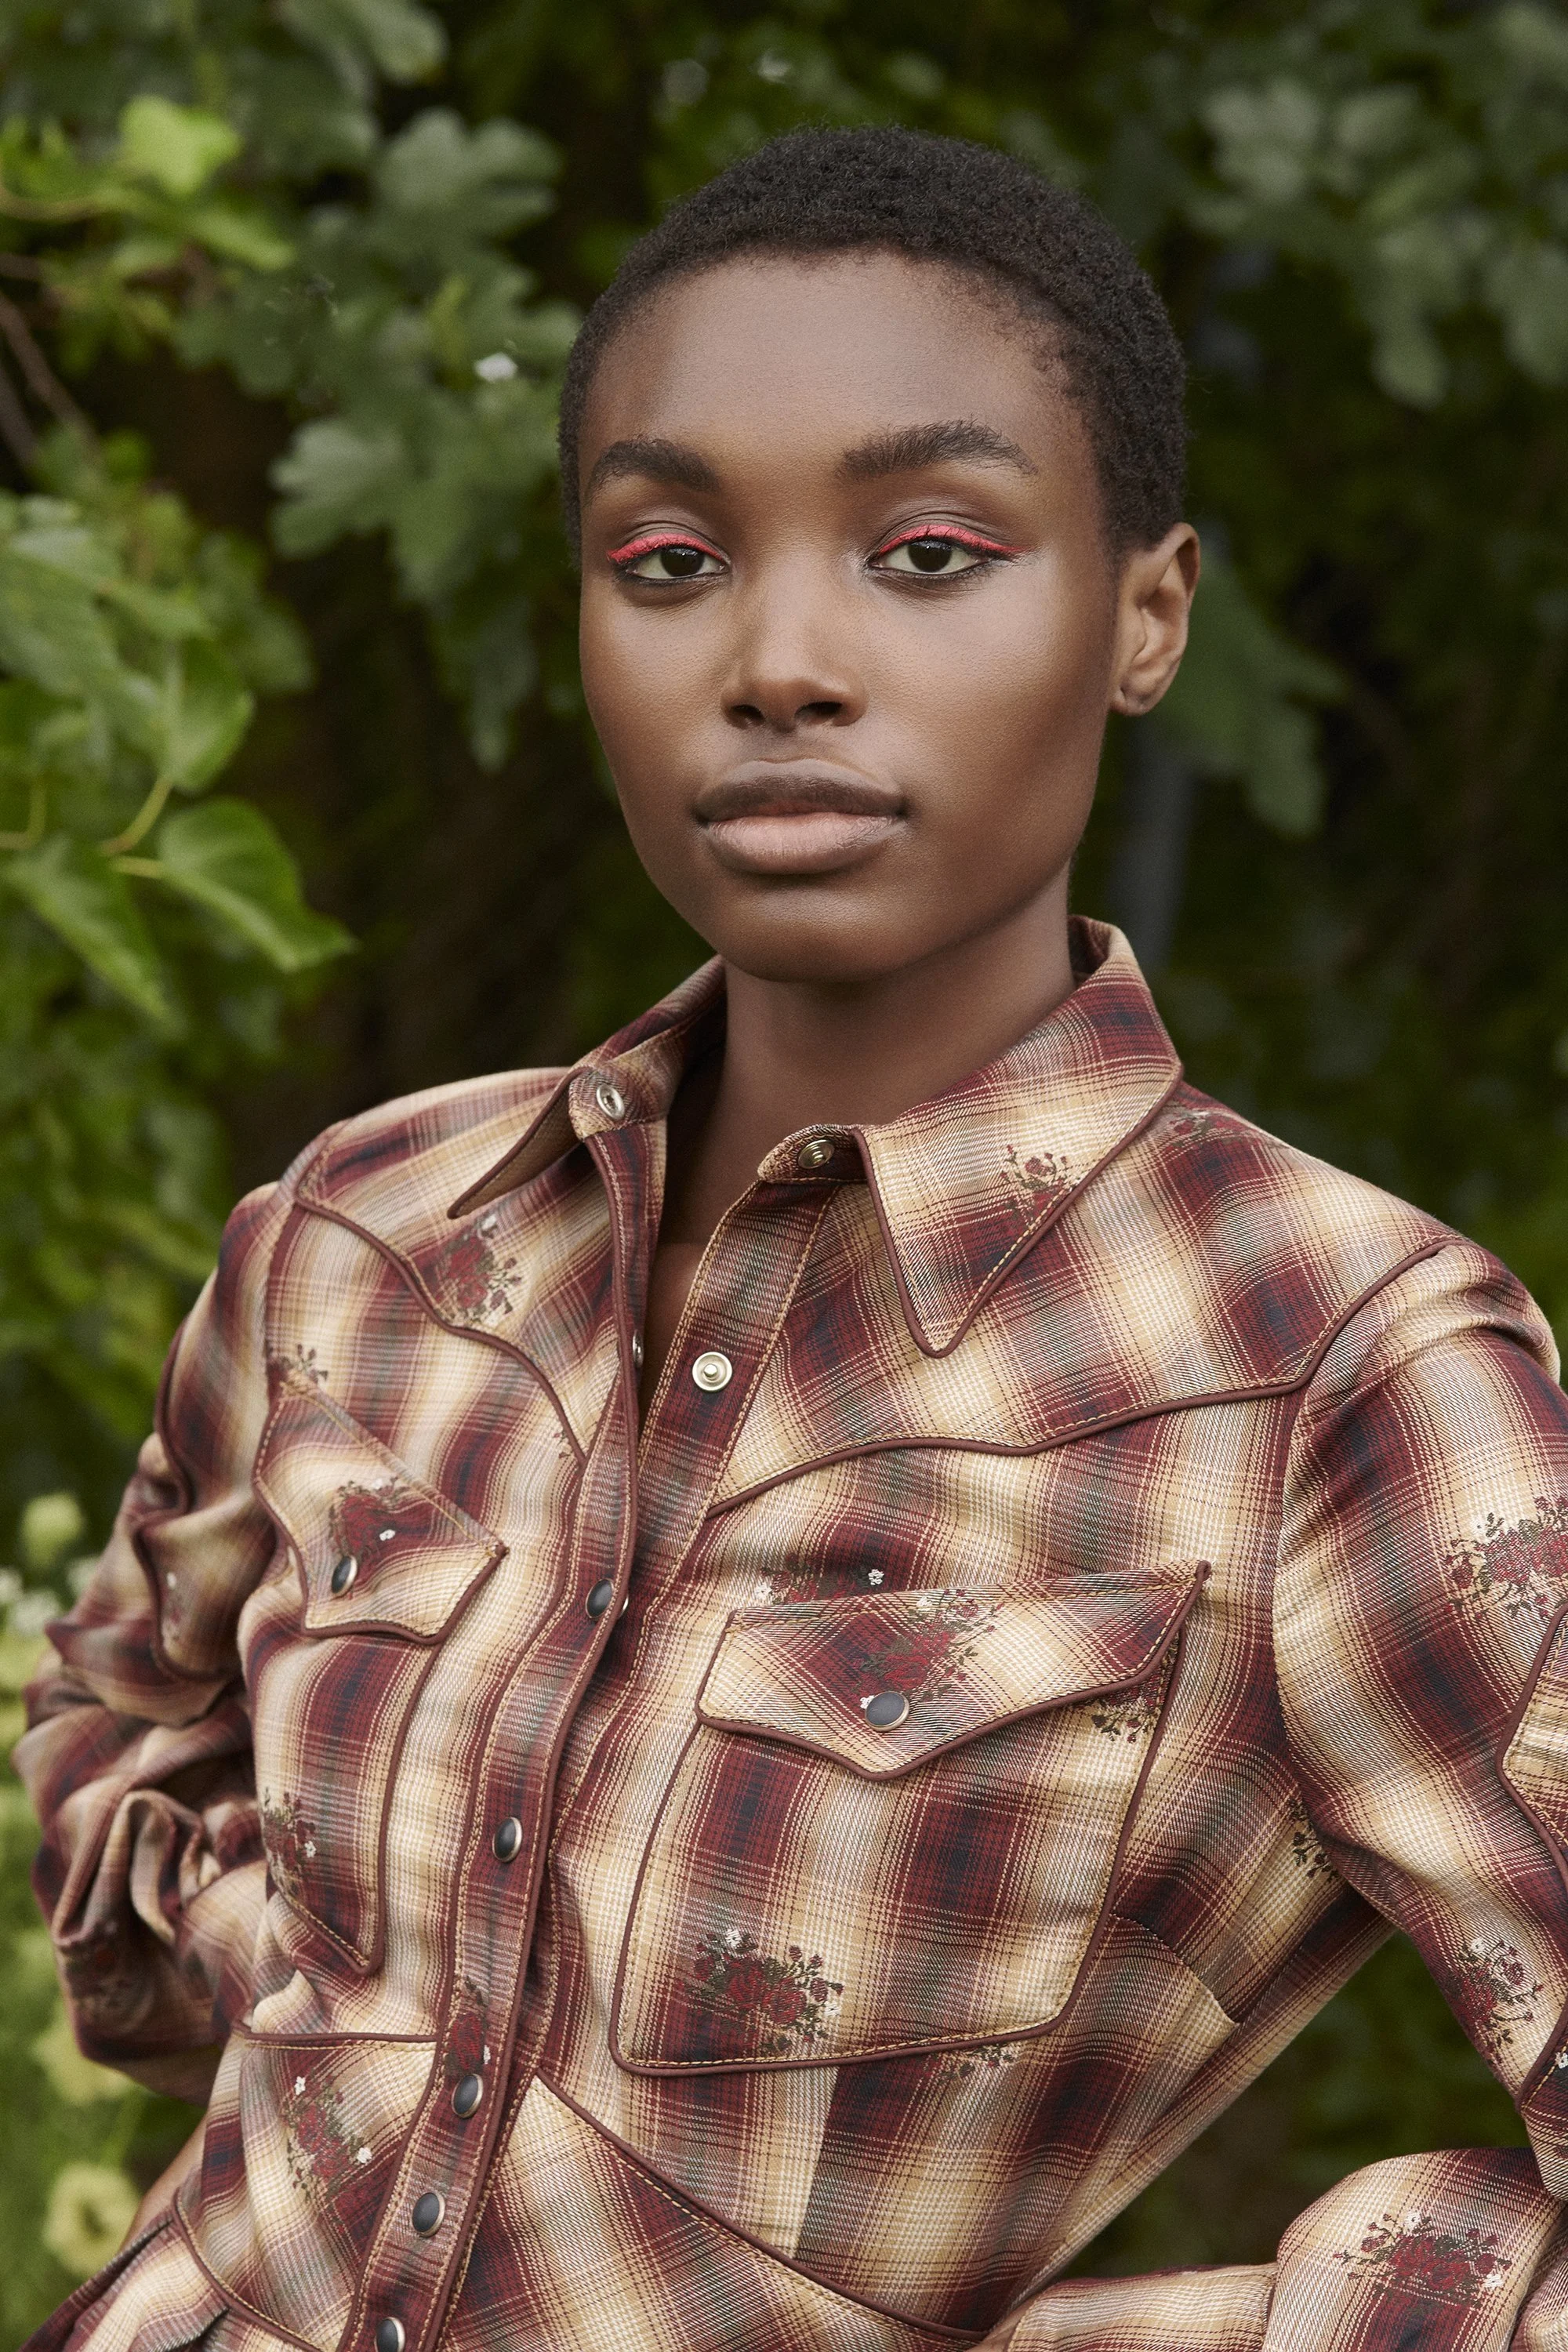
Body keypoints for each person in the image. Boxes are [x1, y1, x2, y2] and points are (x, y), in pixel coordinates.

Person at [16, 124, 1568, 2352]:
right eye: (665, 560)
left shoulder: (1331, 1364)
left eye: (927, 551)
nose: (778, 661)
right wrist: (340, 1997)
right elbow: (116, 1737)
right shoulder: (370, 1229)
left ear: (1148, 614)